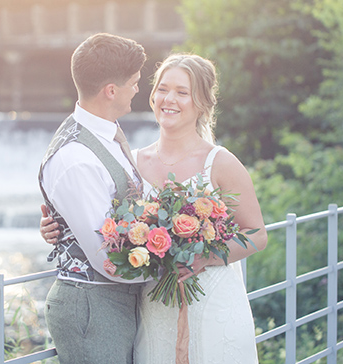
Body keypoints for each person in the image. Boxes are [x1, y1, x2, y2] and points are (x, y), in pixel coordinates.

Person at [41, 53, 268, 364]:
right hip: (154, 307)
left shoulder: (221, 162)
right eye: (162, 89)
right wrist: (59, 229)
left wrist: (204, 256)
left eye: (182, 92)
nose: (168, 99)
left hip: (211, 303)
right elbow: (104, 224)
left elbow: (256, 234)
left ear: (201, 102)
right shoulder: (131, 161)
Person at [39, 32, 147, 364]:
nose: (138, 89)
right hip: (92, 308)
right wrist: (178, 265)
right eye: (134, 83)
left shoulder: (105, 133)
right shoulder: (75, 158)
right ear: (110, 91)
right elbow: (107, 256)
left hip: (115, 302)